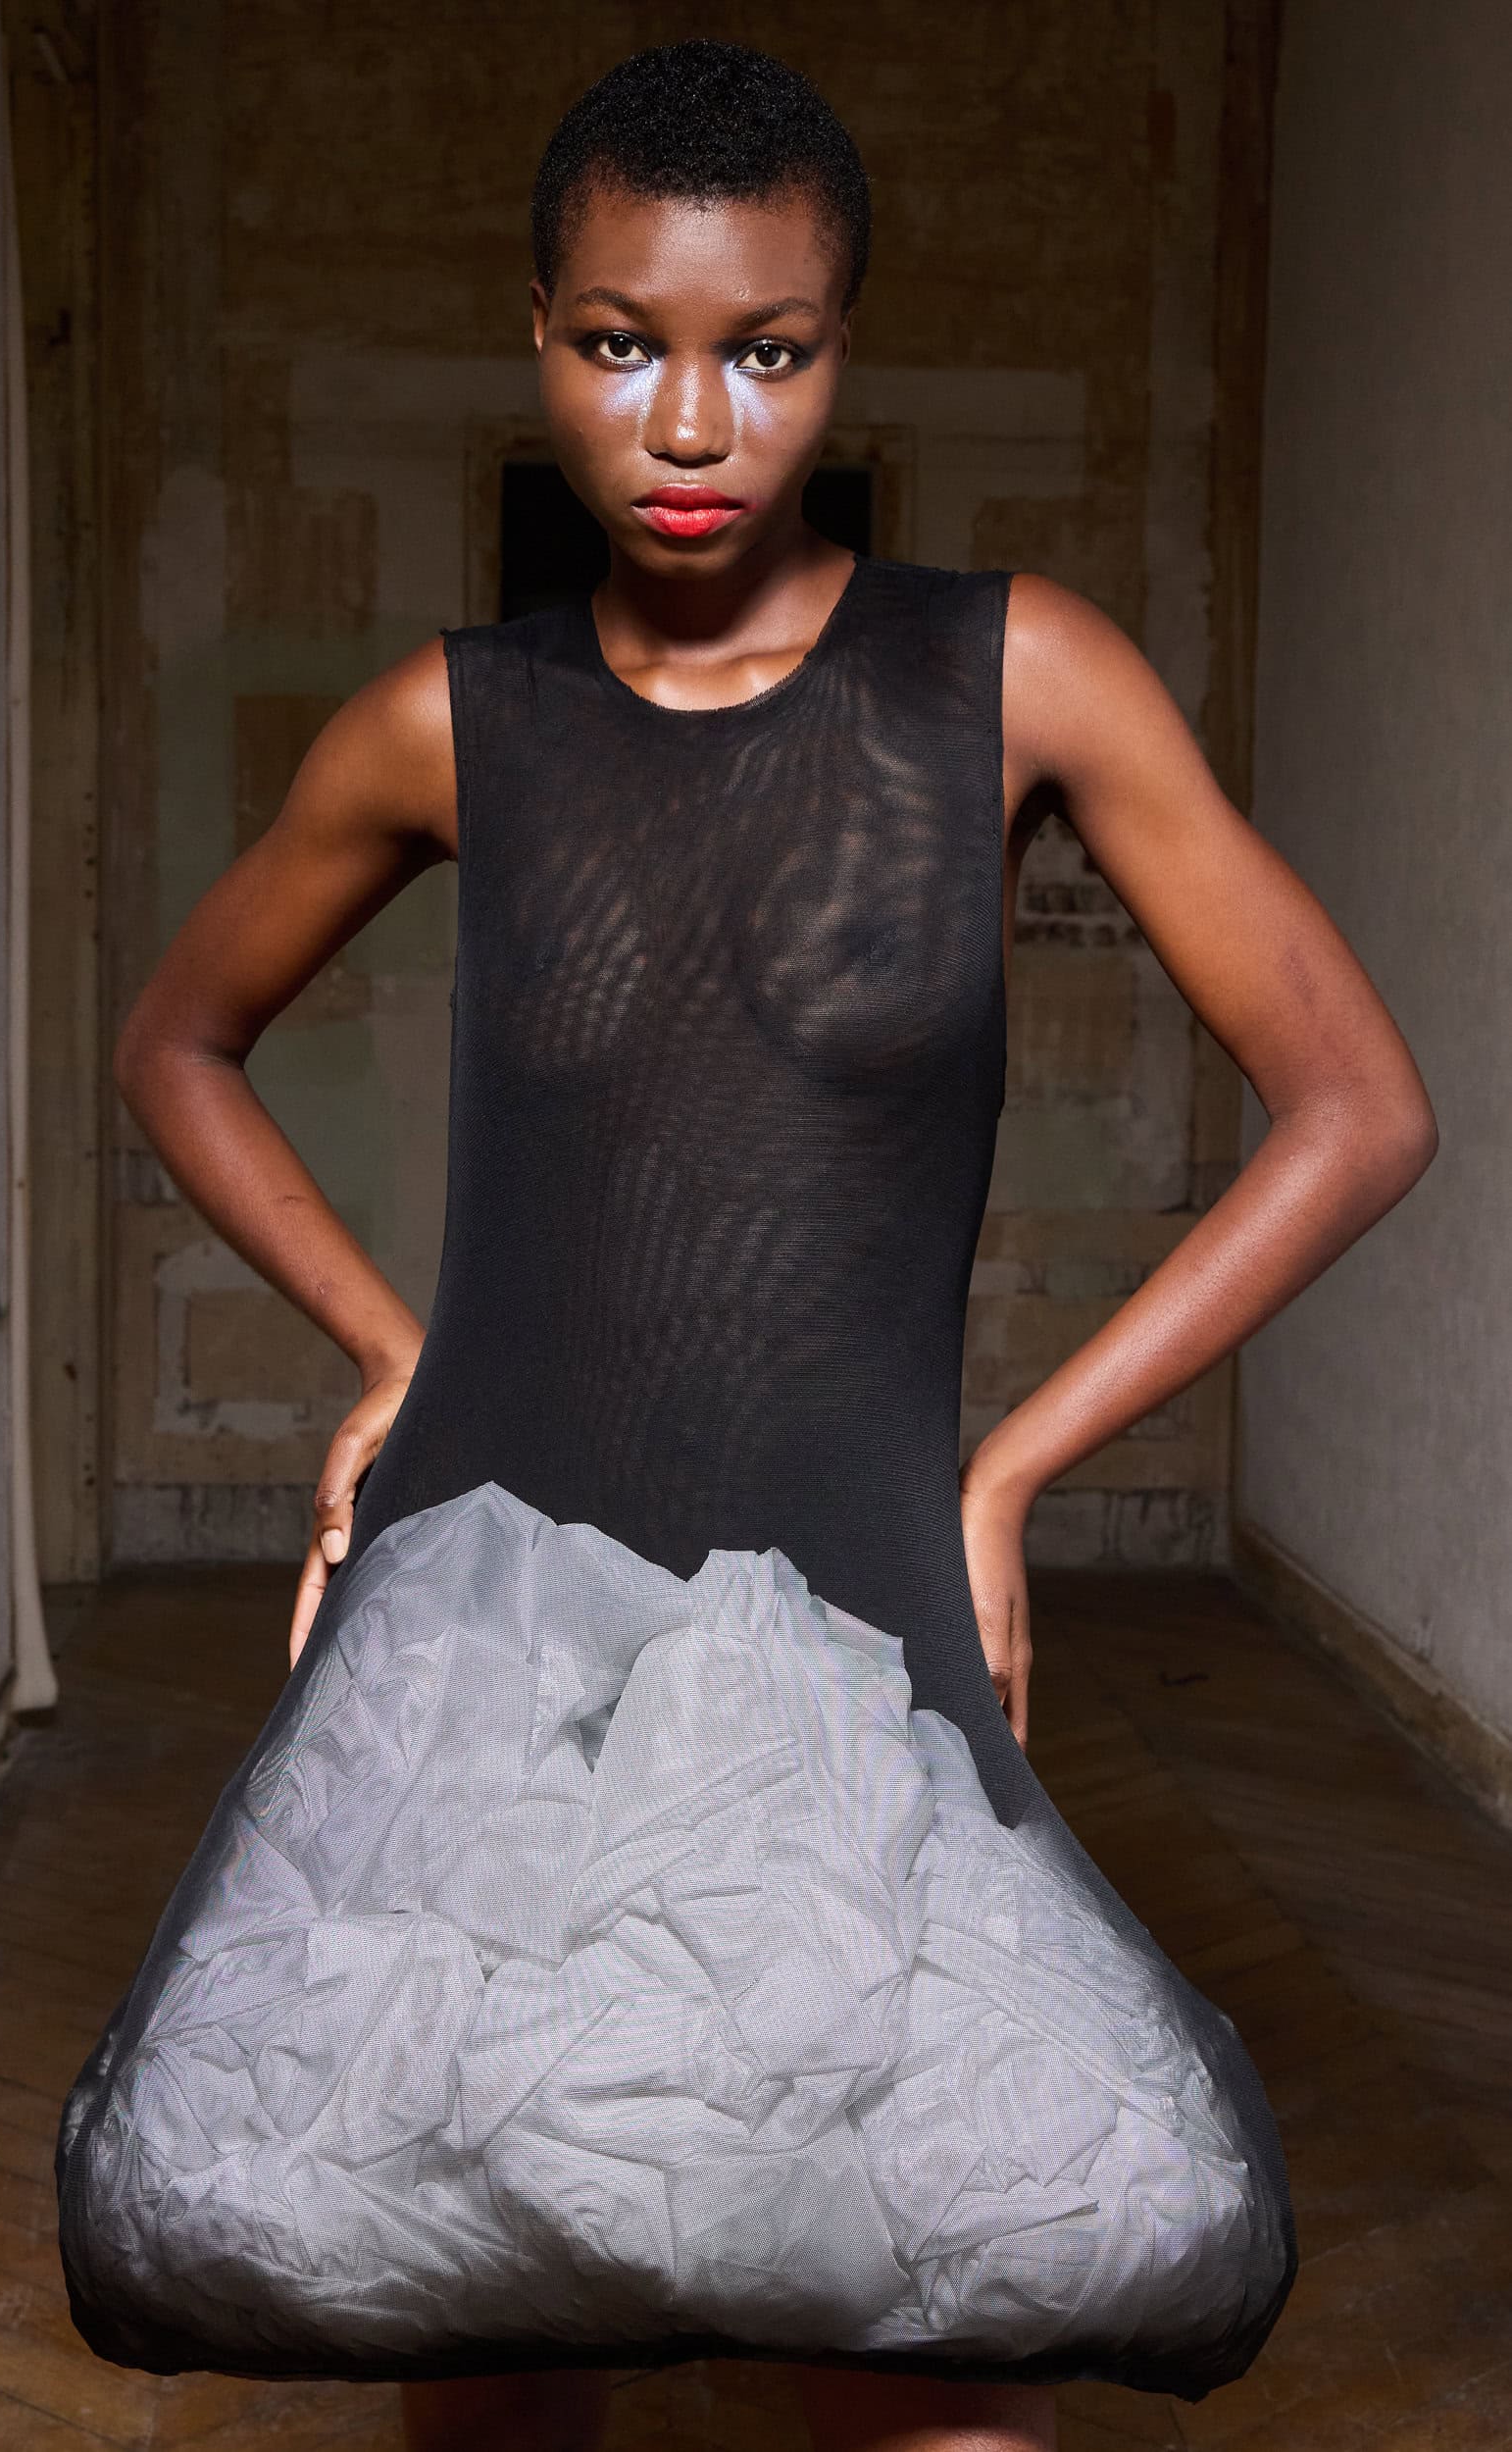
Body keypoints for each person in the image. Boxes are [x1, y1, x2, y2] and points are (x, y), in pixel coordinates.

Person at [87, 38, 1436, 2452]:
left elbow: (1359, 1107)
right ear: (539, 335)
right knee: (490, 2320)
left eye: (767, 350)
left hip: (853, 1586)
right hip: (504, 1590)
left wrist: (1009, 1471)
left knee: (932, 2360)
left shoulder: (1013, 676)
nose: (692, 421)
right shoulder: (449, 724)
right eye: (623, 344)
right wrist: (390, 1349)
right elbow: (176, 1038)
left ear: (840, 348)